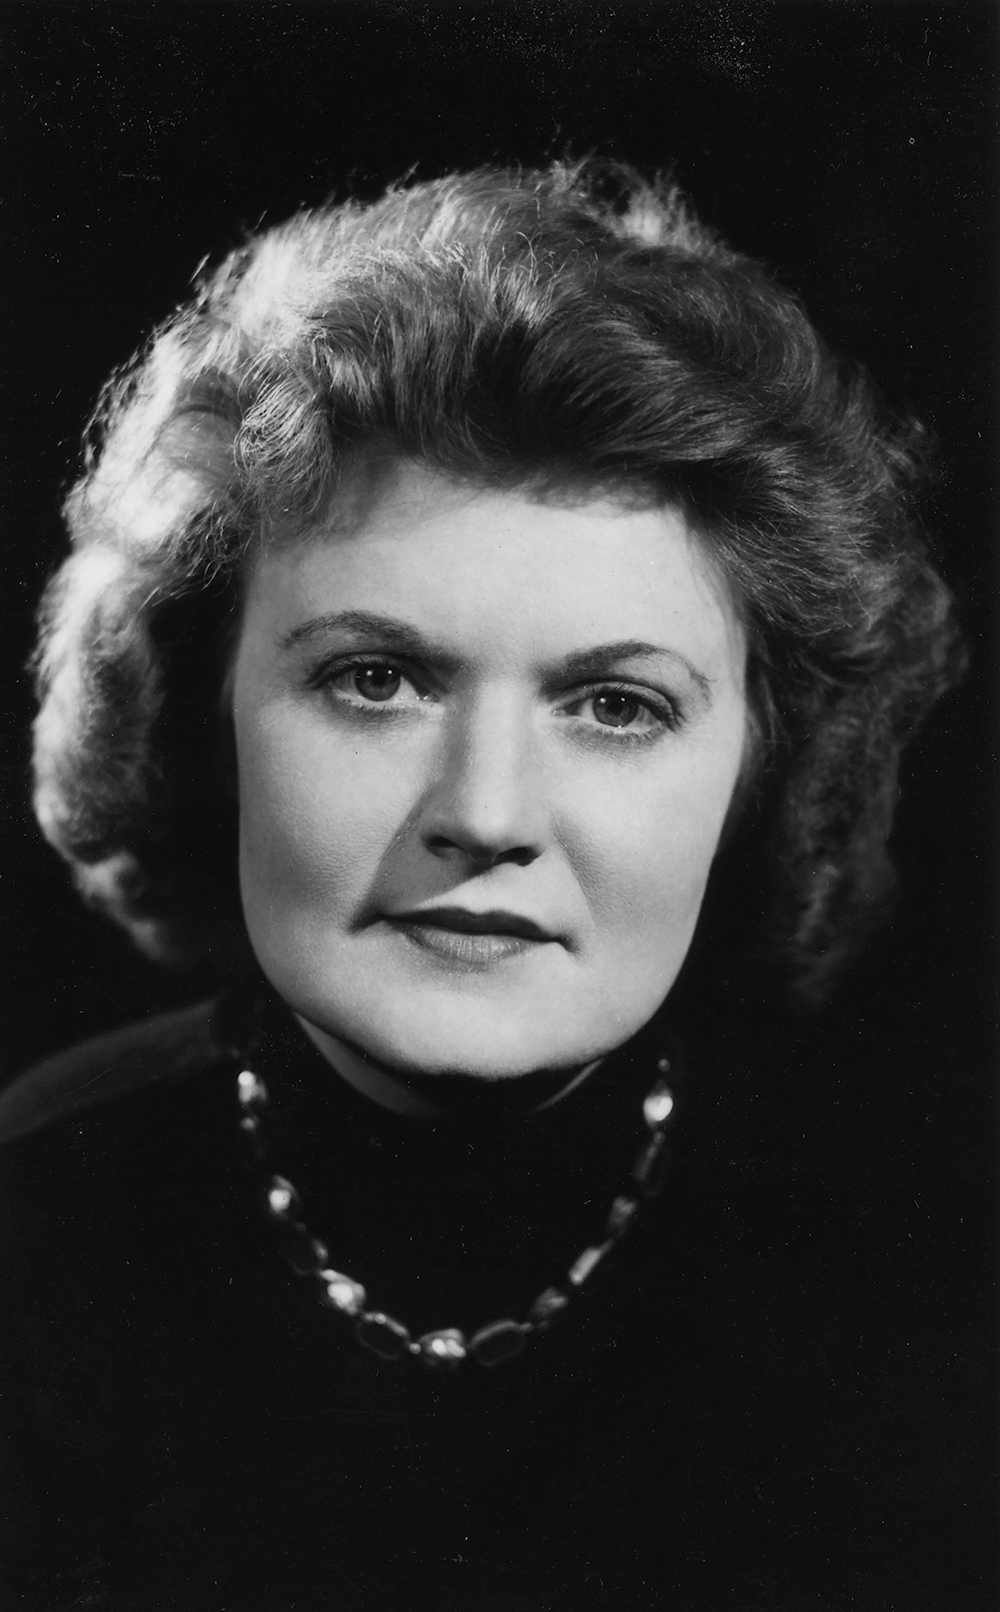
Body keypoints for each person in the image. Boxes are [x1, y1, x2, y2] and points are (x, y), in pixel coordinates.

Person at [0, 161, 970, 1610]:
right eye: (374, 680)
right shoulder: (34, 1228)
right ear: (203, 716)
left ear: (765, 770)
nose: (487, 815)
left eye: (617, 706)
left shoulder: (932, 1276)